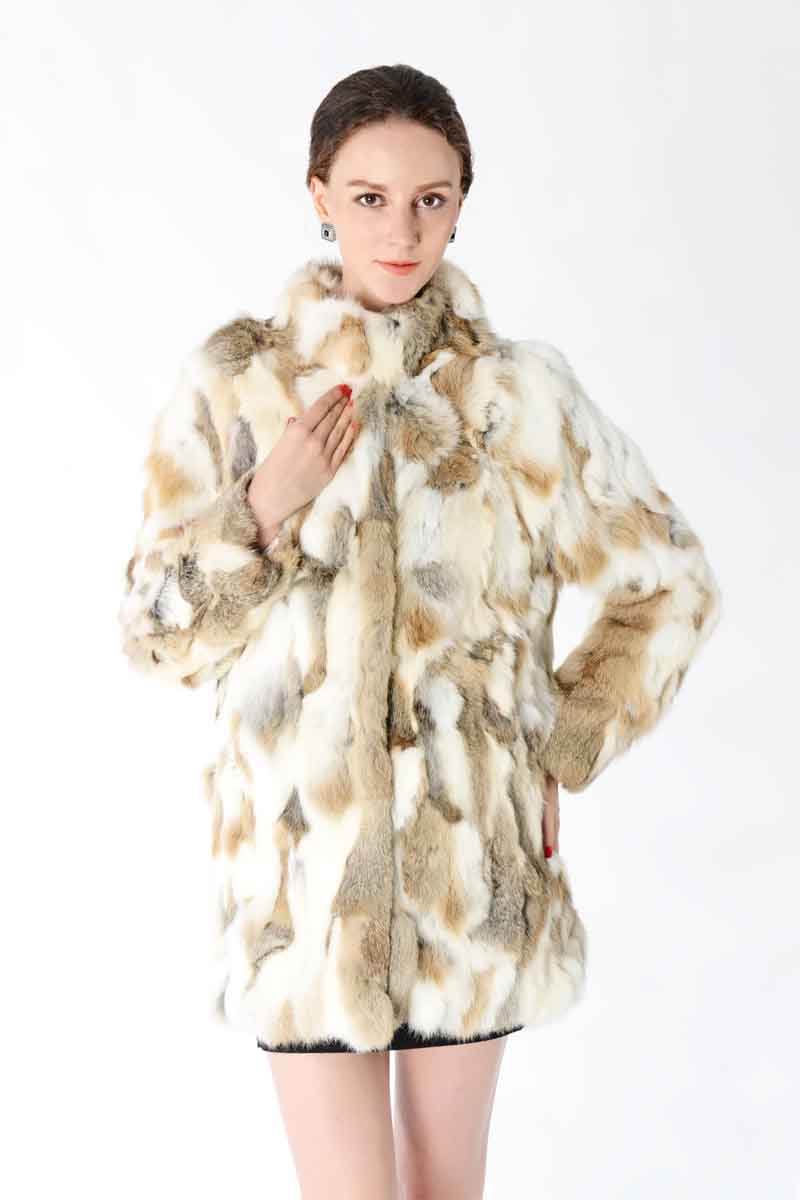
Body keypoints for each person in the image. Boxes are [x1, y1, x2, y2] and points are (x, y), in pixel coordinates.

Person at [118, 63, 722, 1200]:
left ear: (460, 204)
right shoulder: (234, 385)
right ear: (318, 195)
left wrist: (559, 743)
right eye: (369, 198)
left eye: (430, 199)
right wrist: (261, 509)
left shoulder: (518, 397)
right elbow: (153, 635)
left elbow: (670, 584)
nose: (400, 230)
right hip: (302, 882)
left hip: (468, 875)